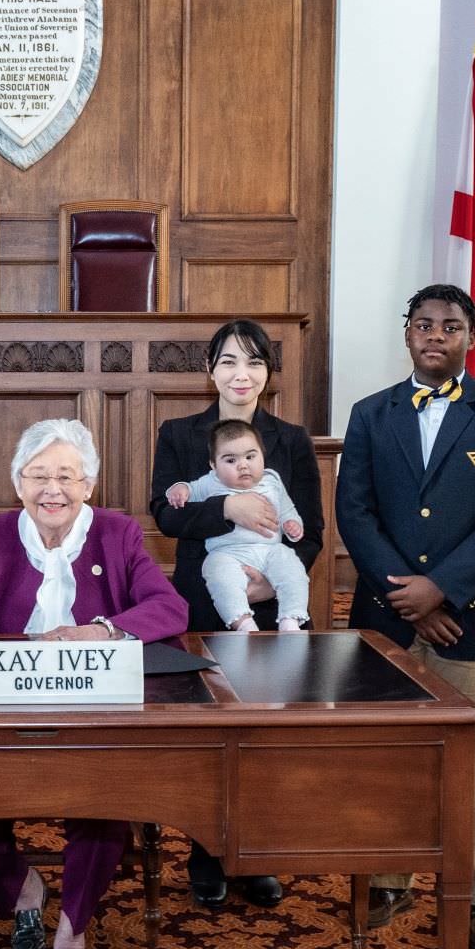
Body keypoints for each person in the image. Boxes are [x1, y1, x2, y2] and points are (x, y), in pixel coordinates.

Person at [0, 418, 189, 949]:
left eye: (66, 475)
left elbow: (170, 608)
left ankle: (70, 940)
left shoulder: (118, 534)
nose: (52, 489)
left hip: (93, 714)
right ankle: (26, 893)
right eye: (39, 476)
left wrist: (103, 628)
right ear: (18, 484)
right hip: (3, 711)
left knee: (103, 816)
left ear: (89, 484)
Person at [336, 283, 475, 949]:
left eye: (449, 326)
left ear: (468, 337)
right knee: (390, 755)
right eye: (422, 324)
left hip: (474, 621)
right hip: (386, 621)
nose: (434, 335)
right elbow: (354, 514)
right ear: (406, 333)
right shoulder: (370, 413)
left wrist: (443, 591)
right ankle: (390, 876)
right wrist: (410, 600)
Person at [148, 317, 321, 909]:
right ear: (210, 370)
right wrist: (231, 506)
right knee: (206, 731)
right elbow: (167, 518)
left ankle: (257, 854)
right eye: (227, 361)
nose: (240, 374)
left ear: (269, 373)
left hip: (271, 605)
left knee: (263, 733)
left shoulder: (291, 440)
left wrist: (270, 589)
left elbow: (311, 530)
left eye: (253, 361)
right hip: (202, 601)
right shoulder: (178, 433)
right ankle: (205, 851)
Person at [164, 418, 309, 631]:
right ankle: (242, 622)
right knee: (218, 573)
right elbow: (185, 493)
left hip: (270, 550)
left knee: (293, 568)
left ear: (262, 455)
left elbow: (287, 509)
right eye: (230, 460)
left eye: (251, 456)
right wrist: (179, 489)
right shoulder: (210, 482)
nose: (243, 465)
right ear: (214, 465)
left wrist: (292, 525)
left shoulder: (272, 480)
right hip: (229, 553)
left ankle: (291, 619)